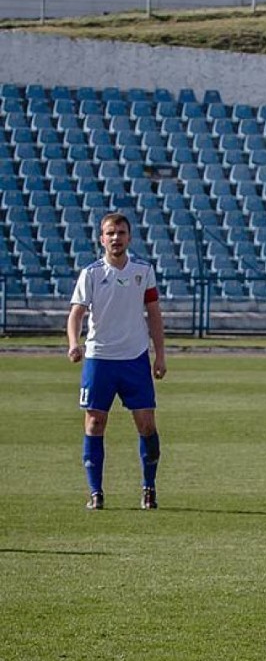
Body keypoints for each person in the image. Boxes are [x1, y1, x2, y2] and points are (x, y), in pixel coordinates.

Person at [67, 211, 166, 510]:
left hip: (134, 358)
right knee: (95, 423)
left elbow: (154, 313)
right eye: (110, 233)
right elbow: (76, 313)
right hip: (100, 359)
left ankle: (149, 488)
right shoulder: (92, 273)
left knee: (146, 424)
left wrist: (159, 354)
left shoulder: (143, 270)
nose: (116, 238)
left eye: (121, 233)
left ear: (129, 237)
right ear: (102, 238)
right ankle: (96, 492)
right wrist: (74, 343)